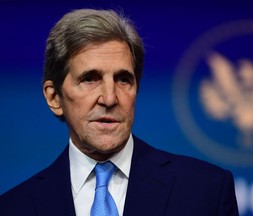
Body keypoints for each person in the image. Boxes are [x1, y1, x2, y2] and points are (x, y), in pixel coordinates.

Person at [0, 8, 239, 216]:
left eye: (123, 80)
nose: (110, 98)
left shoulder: (206, 191)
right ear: (54, 97)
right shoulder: (14, 208)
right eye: (90, 79)